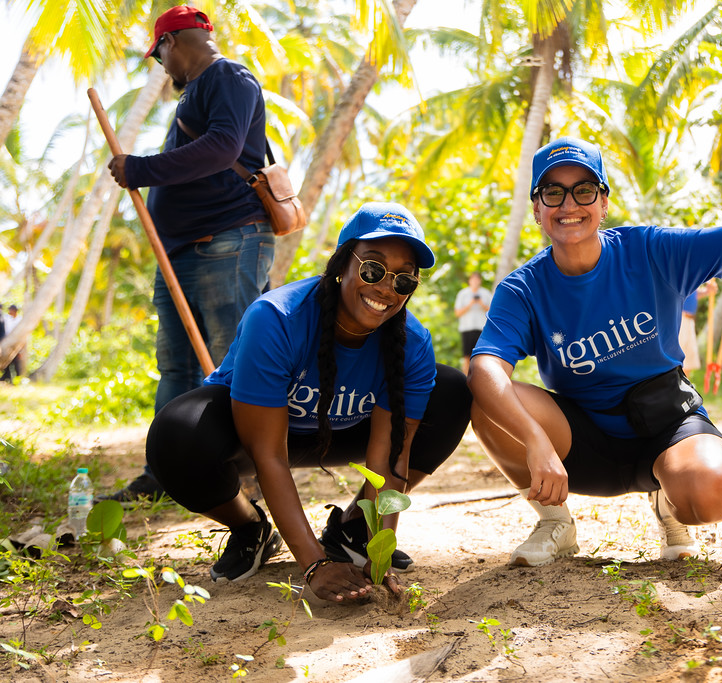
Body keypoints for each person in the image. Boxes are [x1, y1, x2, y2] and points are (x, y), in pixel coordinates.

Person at [467, 72, 722, 566]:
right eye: (554, 194)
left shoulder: (650, 250)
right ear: (538, 211)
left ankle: (668, 501)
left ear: (604, 202)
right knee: (481, 395)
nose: (570, 205)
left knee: (710, 493)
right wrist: (537, 442)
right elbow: (486, 368)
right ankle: (555, 523)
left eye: (584, 190)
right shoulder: (524, 288)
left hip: (666, 423)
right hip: (582, 442)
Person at [146, 202, 472, 599]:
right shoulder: (277, 317)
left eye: (404, 281)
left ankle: (352, 528)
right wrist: (314, 564)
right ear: (341, 265)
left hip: (343, 430)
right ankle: (250, 527)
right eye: (373, 269)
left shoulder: (410, 343)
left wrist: (379, 553)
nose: (386, 288)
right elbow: (268, 455)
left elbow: (390, 458)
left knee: (453, 390)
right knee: (177, 431)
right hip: (249, 436)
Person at [102, 6, 275, 502]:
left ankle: (247, 478)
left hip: (225, 242)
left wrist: (140, 169)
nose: (160, 67)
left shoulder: (228, 76)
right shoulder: (197, 93)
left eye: (158, 55)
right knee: (175, 366)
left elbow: (222, 149)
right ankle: (167, 472)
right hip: (181, 251)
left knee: (234, 361)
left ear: (171, 43)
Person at [454, 273, 492, 374]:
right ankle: (465, 380)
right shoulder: (463, 294)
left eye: (477, 280)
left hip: (482, 329)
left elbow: (492, 312)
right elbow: (457, 313)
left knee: (481, 357)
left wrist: (481, 304)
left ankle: (478, 380)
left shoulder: (486, 293)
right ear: (469, 281)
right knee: (466, 356)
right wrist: (470, 304)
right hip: (467, 328)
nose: (475, 282)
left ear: (480, 281)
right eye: (473, 279)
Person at [678, 280, 719, 375]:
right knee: (678, 363)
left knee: (688, 364)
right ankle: (673, 388)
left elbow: (692, 294)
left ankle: (682, 388)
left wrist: (706, 291)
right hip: (679, 318)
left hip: (689, 320)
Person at [0, 304, 22, 381]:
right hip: (6, 342)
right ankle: (7, 377)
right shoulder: (6, 318)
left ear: (15, 311)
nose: (9, 312)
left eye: (11, 310)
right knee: (7, 361)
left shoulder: (20, 320)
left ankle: (18, 379)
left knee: (16, 362)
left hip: (16, 343)